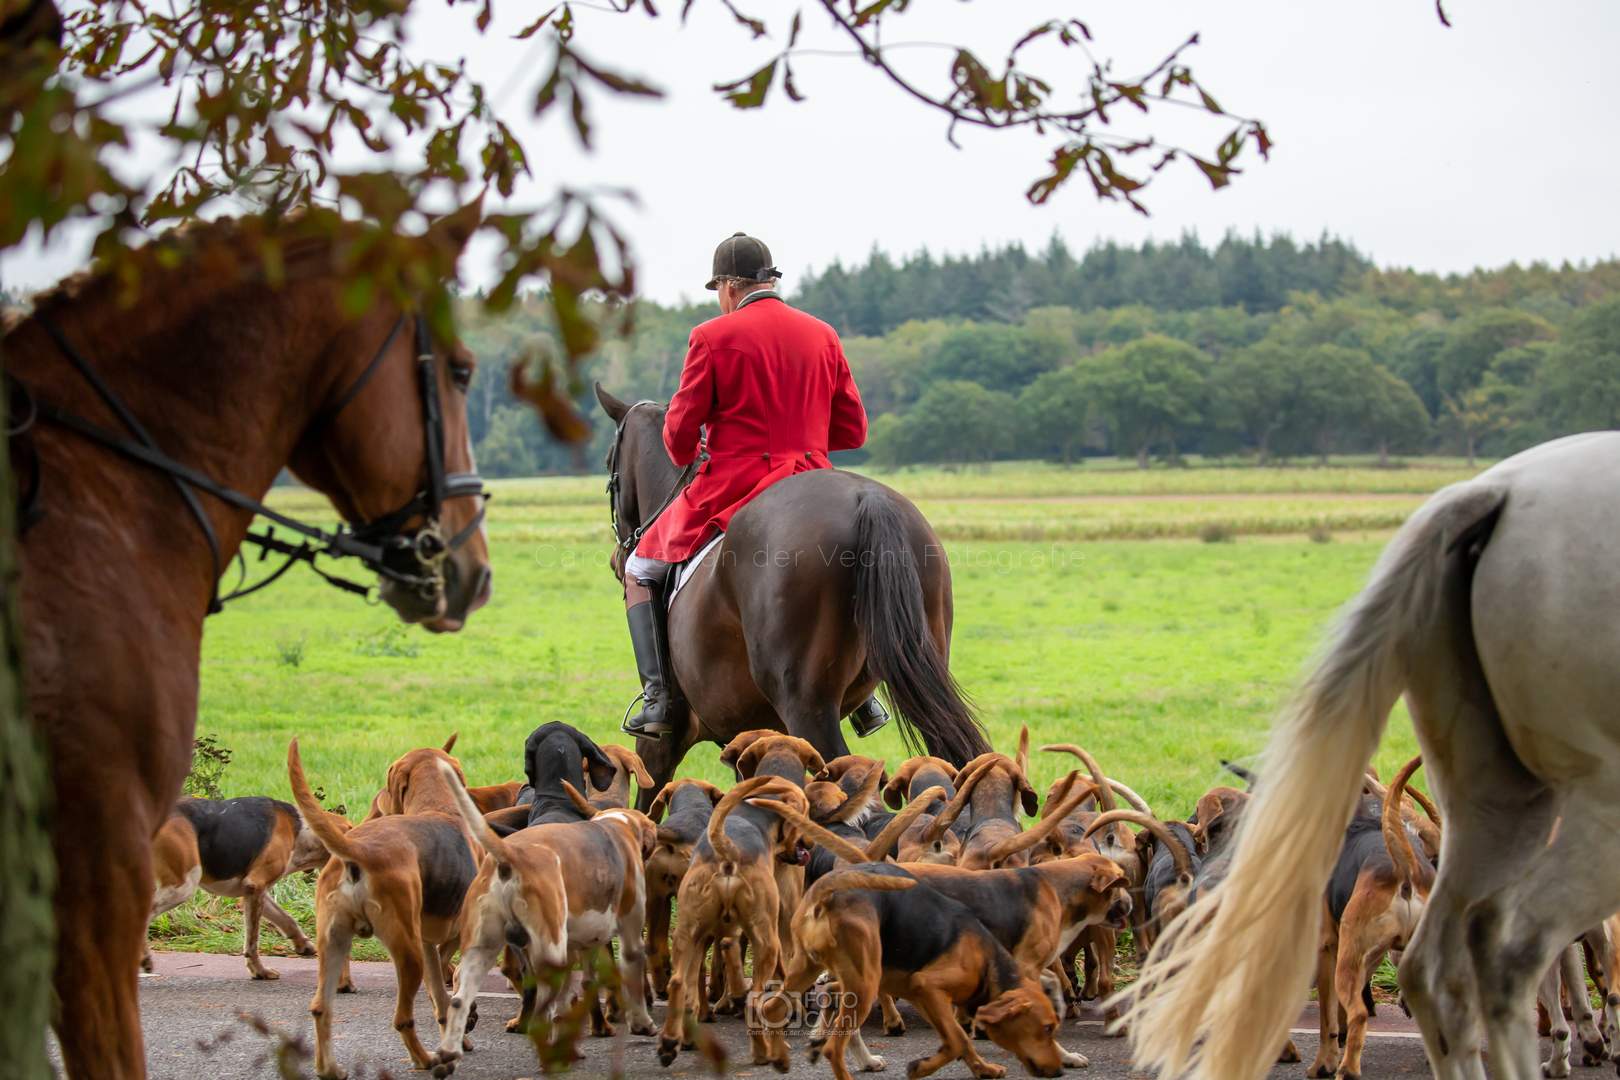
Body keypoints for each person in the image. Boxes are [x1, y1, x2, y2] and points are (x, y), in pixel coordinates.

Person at [619, 231, 889, 740]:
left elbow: (678, 439)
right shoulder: (823, 334)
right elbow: (854, 430)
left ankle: (659, 699)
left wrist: (701, 444)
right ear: (770, 281)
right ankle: (863, 697)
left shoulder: (711, 336)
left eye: (718, 290)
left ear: (727, 286)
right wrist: (805, 441)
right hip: (812, 476)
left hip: (735, 484)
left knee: (640, 567)